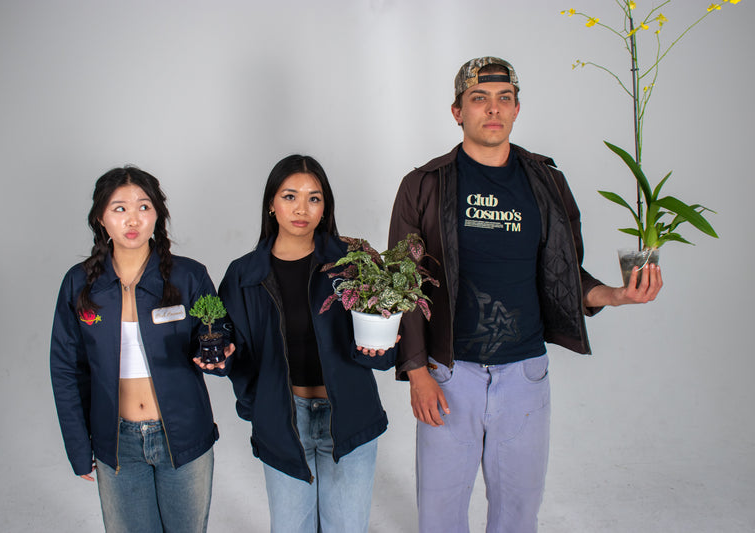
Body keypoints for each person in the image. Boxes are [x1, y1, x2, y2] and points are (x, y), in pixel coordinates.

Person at [388, 56, 663, 533]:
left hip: (524, 376)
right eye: (479, 99)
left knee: (518, 512)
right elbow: (403, 284)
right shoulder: (424, 185)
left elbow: (563, 274)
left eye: (504, 98)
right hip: (448, 375)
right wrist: (416, 371)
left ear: (517, 109)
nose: (492, 110)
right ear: (457, 111)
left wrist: (617, 295)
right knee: (439, 514)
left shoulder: (547, 182)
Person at [199, 155, 395, 533]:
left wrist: (382, 349)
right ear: (271, 204)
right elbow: (234, 350)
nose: (301, 209)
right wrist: (256, 403)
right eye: (290, 196)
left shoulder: (351, 263)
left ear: (326, 207)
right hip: (284, 418)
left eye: (314, 198)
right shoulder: (244, 274)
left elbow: (382, 344)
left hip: (349, 415)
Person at [50, 167, 231, 532]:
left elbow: (218, 333)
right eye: (119, 208)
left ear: (157, 215)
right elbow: (66, 369)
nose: (133, 218)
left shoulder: (188, 276)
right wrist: (77, 447)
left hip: (183, 434)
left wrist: (220, 354)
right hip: (117, 441)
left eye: (144, 207)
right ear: (100, 219)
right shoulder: (80, 284)